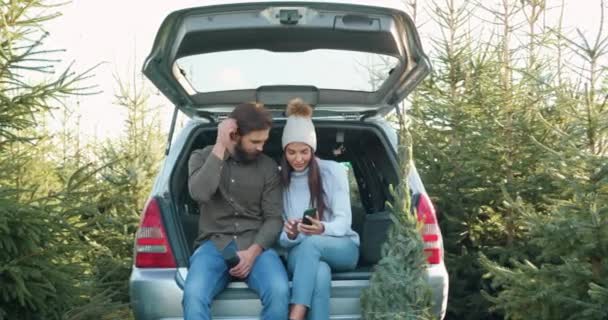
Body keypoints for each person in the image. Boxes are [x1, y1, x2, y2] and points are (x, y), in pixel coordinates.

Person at [184, 102, 289, 320]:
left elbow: (273, 219)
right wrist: (221, 145)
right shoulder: (201, 157)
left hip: (255, 244)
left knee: (279, 291)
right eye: (255, 141)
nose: (261, 147)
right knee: (193, 295)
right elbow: (200, 193)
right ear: (235, 135)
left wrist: (252, 254)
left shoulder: (268, 166)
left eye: (264, 141)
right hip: (214, 245)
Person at [278, 98, 360, 320]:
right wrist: (291, 233)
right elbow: (282, 239)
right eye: (291, 152)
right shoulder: (280, 181)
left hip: (342, 248)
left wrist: (322, 228)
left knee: (313, 244)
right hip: (300, 253)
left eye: (304, 151)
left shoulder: (333, 171)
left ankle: (296, 312)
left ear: (312, 149)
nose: (298, 159)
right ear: (284, 152)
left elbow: (344, 223)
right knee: (320, 273)